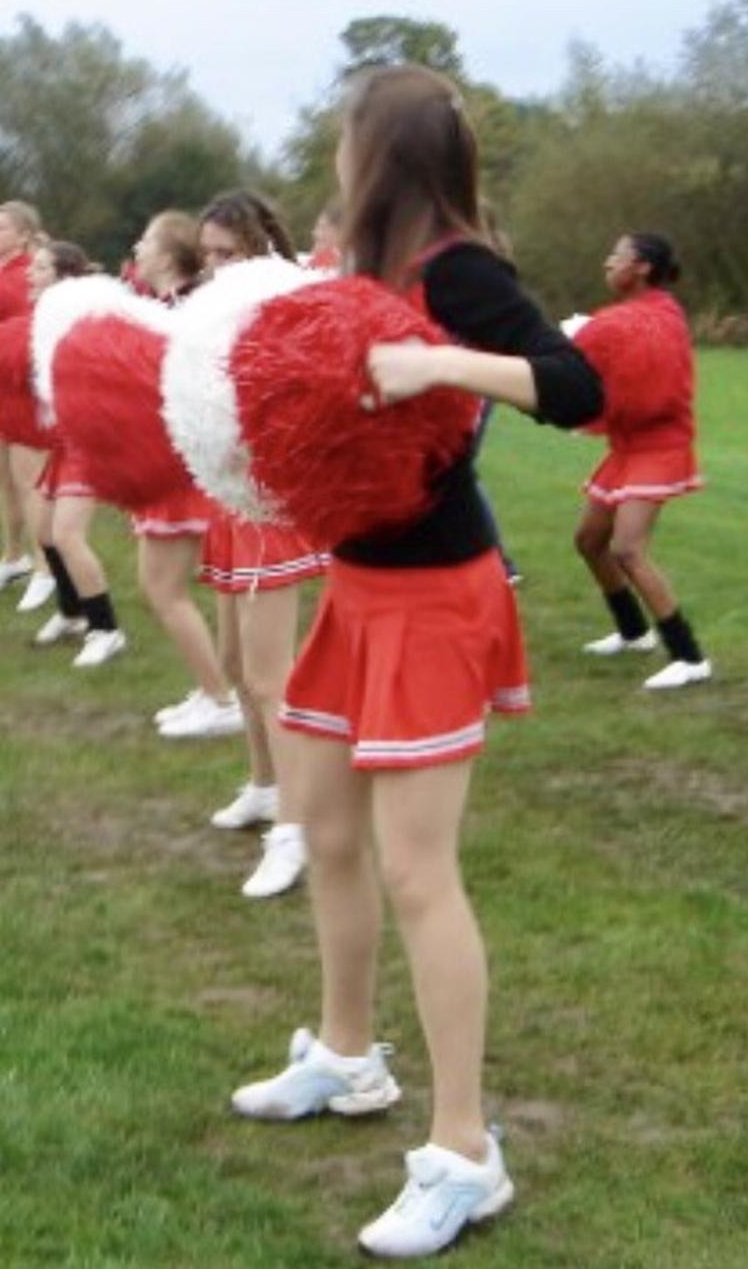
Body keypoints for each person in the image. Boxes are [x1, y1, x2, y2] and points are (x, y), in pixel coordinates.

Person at [230, 67, 602, 1259]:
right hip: (357, 582)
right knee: (324, 827)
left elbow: (577, 386)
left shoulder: (456, 270)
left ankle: (464, 1152)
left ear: (378, 151)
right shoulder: (364, 275)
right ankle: (346, 1057)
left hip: (437, 596)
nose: (336, 154)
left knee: (417, 869)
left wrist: (439, 364)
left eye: (345, 136)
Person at [196, 190, 329, 898]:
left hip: (272, 504)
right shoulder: (211, 311)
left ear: (259, 248)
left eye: (228, 253)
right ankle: (266, 785)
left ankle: (297, 831)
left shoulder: (286, 307)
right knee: (236, 662)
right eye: (208, 253)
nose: (215, 266)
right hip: (229, 497)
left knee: (272, 675)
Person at [573, 232, 711, 690]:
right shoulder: (629, 316)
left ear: (643, 268)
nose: (607, 263)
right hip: (628, 448)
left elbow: (651, 375)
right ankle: (634, 633)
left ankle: (690, 657)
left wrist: (585, 336)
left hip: (660, 446)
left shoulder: (660, 317)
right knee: (590, 541)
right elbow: (607, 351)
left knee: (627, 549)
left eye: (617, 256)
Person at [130, 211, 241, 738]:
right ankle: (212, 688)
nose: (138, 247)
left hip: (183, 470)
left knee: (163, 588)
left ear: (171, 255)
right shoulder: (165, 307)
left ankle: (222, 699)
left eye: (148, 241)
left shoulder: (187, 311)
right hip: (169, 463)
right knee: (167, 586)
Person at [29, 241, 127, 668]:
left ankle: (106, 630)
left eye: (40, 268)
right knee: (46, 533)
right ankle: (72, 615)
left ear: (63, 277)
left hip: (85, 440)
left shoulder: (82, 320)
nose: (30, 274)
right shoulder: (44, 320)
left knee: (68, 535)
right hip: (61, 438)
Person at [0, 201, 51, 599]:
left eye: (2, 228)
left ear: (24, 235)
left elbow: (34, 329)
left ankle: (45, 567)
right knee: (4, 478)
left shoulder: (30, 272)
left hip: (23, 385)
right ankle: (13, 557)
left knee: (30, 481)